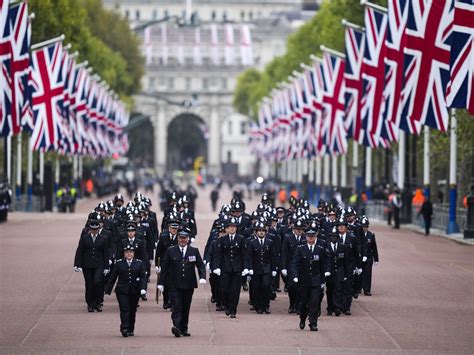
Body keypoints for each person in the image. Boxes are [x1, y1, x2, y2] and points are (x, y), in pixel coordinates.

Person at [158, 230, 206, 337]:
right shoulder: (171, 251)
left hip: (189, 284)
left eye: (185, 238)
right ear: (178, 239)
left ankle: (184, 328)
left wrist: (202, 277)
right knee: (176, 305)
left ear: (188, 239)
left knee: (186, 306)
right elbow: (164, 268)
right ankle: (177, 326)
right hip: (174, 284)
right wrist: (161, 283)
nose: (183, 240)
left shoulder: (194, 251)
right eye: (181, 238)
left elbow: (200, 265)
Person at [290, 223, 330, 331]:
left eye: (313, 236)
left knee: (314, 302)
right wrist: (295, 276)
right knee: (303, 302)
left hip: (316, 280)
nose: (311, 238)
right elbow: (295, 263)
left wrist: (325, 275)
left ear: (316, 235)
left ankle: (313, 323)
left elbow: (325, 263)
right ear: (306, 236)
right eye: (309, 236)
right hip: (303, 280)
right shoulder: (300, 248)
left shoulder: (320, 248)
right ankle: (302, 318)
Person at [105, 245, 147, 337]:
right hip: (122, 290)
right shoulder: (119, 263)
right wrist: (108, 290)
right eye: (127, 252)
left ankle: (130, 328)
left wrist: (143, 288)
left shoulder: (139, 263)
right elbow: (113, 277)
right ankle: (124, 327)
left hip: (134, 291)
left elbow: (143, 277)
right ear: (124, 254)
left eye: (131, 252)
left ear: (133, 253)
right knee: (124, 309)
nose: (129, 254)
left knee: (132, 310)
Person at [213, 217, 248, 318]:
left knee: (235, 290)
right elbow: (218, 254)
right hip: (225, 268)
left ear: (236, 228)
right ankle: (227, 305)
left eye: (234, 227)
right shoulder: (222, 240)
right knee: (224, 289)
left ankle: (233, 310)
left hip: (237, 268)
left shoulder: (241, 239)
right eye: (230, 227)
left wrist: (245, 267)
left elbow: (244, 254)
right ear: (227, 228)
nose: (232, 229)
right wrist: (217, 267)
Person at [74, 215, 110, 312]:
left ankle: (98, 303)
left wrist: (107, 266)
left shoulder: (103, 239)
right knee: (89, 284)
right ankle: (90, 303)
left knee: (98, 282)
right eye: (93, 229)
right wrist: (77, 264)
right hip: (87, 265)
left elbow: (106, 253)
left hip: (99, 264)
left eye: (96, 229)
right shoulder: (85, 238)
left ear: (99, 229)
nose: (94, 231)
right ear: (90, 229)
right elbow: (79, 251)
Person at [246, 221, 278, 314]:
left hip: (266, 268)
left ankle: (266, 306)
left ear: (265, 232)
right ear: (256, 232)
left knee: (266, 286)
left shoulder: (270, 242)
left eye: (263, 231)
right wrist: (250, 268)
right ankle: (258, 306)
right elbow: (249, 256)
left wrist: (274, 269)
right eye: (259, 230)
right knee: (256, 287)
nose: (261, 232)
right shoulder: (252, 242)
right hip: (256, 269)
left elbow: (273, 256)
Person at [325, 227, 351, 317]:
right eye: (332, 236)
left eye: (335, 236)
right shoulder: (326, 246)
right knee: (329, 290)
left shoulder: (343, 247)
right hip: (329, 272)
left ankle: (337, 307)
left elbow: (346, 262)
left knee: (338, 290)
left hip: (339, 272)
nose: (334, 238)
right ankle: (330, 307)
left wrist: (346, 274)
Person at [360, 216, 379, 296]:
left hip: (369, 257)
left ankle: (367, 290)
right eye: (363, 226)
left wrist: (376, 259)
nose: (364, 228)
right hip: (359, 257)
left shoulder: (371, 235)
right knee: (359, 274)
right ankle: (358, 288)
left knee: (368, 273)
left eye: (366, 226)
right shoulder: (357, 235)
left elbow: (374, 247)